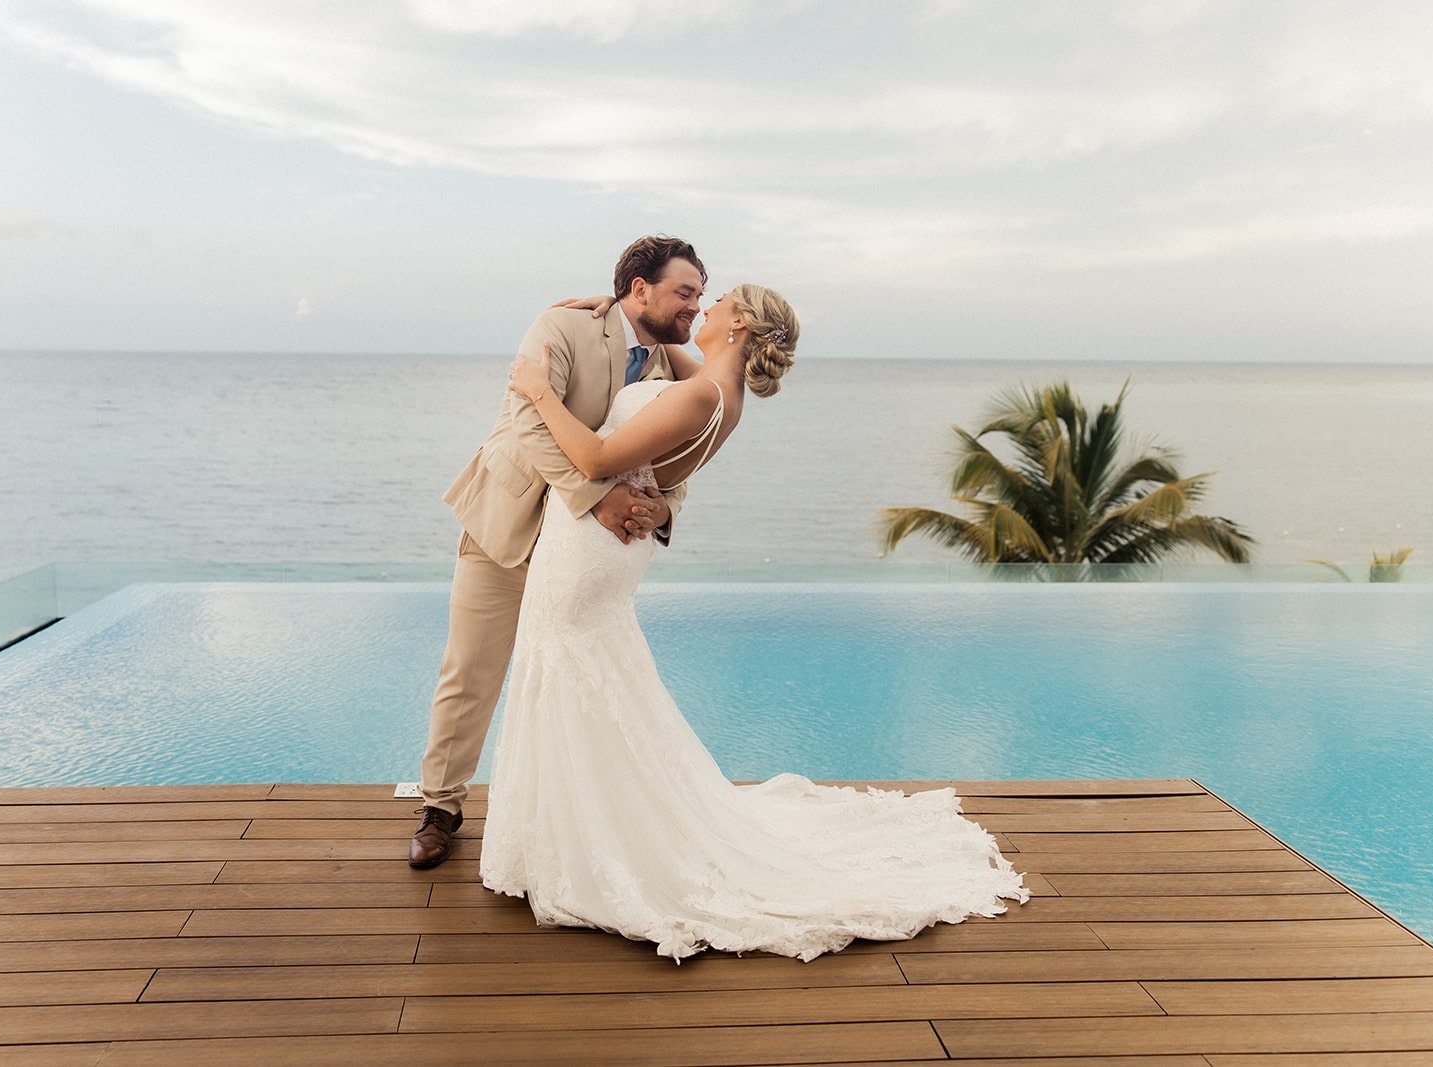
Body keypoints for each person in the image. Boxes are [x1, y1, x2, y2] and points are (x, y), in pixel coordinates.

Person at [480, 283, 1028, 961]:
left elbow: (593, 460)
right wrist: (618, 301)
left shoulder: (700, 394)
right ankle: (571, 834)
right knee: (590, 674)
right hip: (610, 545)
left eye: (718, 302)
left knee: (573, 668)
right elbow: (658, 341)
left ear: (739, 323)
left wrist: (537, 388)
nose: (704, 308)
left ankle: (591, 846)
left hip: (591, 545)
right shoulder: (714, 389)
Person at [410, 235, 707, 869]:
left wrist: (666, 509)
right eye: (684, 293)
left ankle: (566, 817)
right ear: (639, 289)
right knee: (470, 671)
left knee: (568, 677)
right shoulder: (563, 326)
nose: (695, 309)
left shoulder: (670, 364)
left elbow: (675, 454)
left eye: (701, 297)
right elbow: (529, 420)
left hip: (581, 554)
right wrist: (594, 496)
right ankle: (441, 806)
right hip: (509, 522)